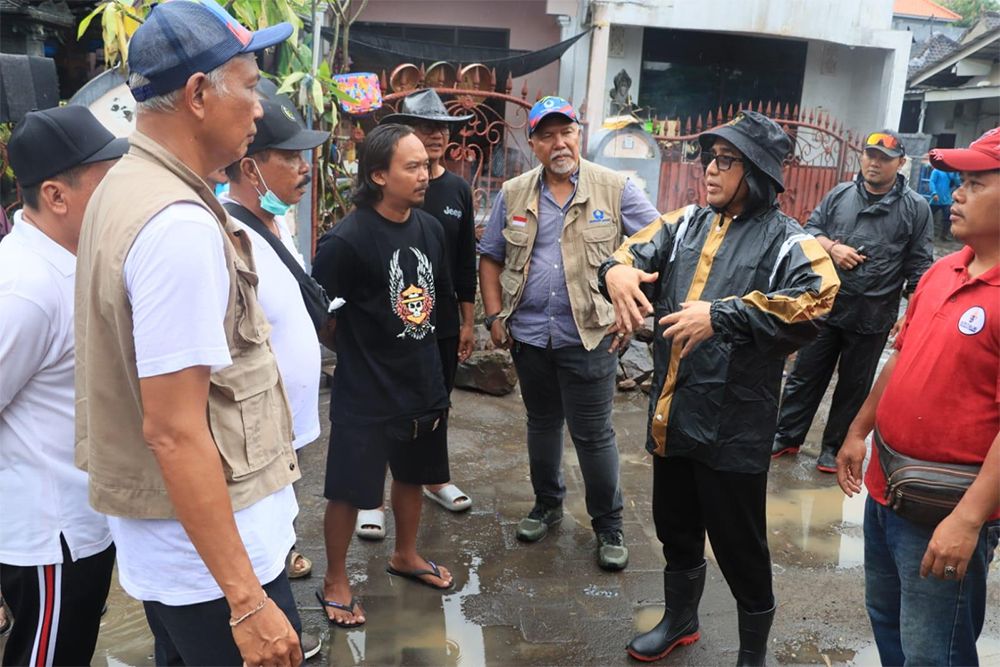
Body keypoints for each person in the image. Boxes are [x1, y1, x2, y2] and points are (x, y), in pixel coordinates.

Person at [74, 2, 303, 665]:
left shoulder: (127, 185)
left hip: (187, 556)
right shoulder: (176, 224)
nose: (259, 108)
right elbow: (173, 429)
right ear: (199, 94)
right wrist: (248, 603)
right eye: (251, 86)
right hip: (215, 572)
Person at [601, 110, 840, 665]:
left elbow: (819, 297)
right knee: (676, 529)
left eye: (725, 160)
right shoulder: (684, 224)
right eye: (709, 158)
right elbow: (630, 252)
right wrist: (616, 272)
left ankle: (752, 651)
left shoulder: (790, 242)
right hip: (675, 414)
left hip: (735, 427)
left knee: (740, 548)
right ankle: (680, 619)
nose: (709, 169)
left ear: (756, 172)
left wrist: (723, 314)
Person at [836, 127, 1000, 666]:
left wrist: (968, 520)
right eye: (959, 182)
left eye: (976, 184)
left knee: (935, 650)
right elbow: (901, 359)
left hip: (944, 505)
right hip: (887, 489)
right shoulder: (942, 271)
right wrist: (858, 432)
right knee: (888, 620)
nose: (956, 194)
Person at [478, 96, 660, 571]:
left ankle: (609, 524)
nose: (559, 143)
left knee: (594, 435)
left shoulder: (615, 189)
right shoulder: (513, 193)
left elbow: (658, 245)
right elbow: (491, 256)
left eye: (567, 133)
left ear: (579, 135)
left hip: (591, 335)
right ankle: (547, 505)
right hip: (530, 335)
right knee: (541, 424)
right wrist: (495, 316)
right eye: (548, 136)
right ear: (534, 144)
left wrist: (632, 311)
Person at [311, 123, 455, 628]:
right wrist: (359, 350)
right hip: (366, 391)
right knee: (350, 489)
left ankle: (406, 554)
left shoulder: (430, 229)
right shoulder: (345, 241)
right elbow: (320, 315)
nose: (425, 175)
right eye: (412, 167)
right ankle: (335, 578)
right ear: (378, 175)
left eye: (425, 165)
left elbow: (436, 301)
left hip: (422, 384)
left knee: (413, 475)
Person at [1, 106, 126, 667]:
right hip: (50, 533)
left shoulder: (67, 261)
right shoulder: (24, 287)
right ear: (55, 195)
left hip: (83, 519)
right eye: (106, 182)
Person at [221, 95, 329, 660]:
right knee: (254, 537)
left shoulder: (277, 222)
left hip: (285, 430)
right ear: (251, 167)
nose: (305, 168)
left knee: (278, 522)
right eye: (291, 157)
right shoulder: (226, 235)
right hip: (254, 435)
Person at [350, 89, 477, 540]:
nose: (436, 135)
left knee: (435, 405)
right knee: (382, 409)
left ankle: (434, 479)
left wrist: (467, 321)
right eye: (425, 128)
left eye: (442, 128)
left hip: (439, 326)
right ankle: (372, 499)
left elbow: (465, 261)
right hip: (393, 325)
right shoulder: (383, 193)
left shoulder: (457, 190)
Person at [771, 130, 933, 472]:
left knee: (853, 386)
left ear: (900, 164)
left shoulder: (915, 208)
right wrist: (833, 248)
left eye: (884, 159)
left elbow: (919, 265)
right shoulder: (840, 195)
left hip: (872, 315)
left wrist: (911, 313)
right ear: (862, 157)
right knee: (805, 375)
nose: (875, 163)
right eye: (870, 155)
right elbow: (810, 231)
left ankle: (833, 447)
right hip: (825, 306)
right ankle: (786, 435)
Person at [929, 165, 961, 241]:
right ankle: (927, 234)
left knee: (947, 219)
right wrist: (934, 193)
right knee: (928, 217)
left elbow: (957, 184)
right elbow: (932, 182)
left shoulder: (951, 173)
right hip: (936, 199)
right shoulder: (936, 171)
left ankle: (943, 236)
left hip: (946, 200)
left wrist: (955, 173)